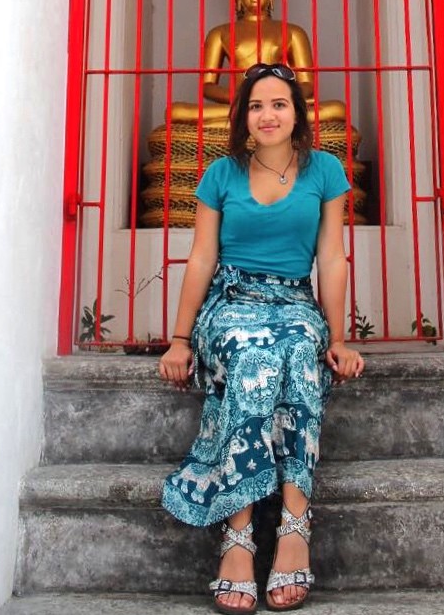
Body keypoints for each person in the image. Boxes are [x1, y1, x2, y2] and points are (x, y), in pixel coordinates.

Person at [159, 62, 365, 612]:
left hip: (294, 301)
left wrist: (338, 338)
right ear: (242, 117)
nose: (267, 115)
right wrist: (181, 338)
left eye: (278, 104)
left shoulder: (324, 170)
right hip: (231, 301)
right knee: (252, 358)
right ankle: (240, 533)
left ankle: (295, 526)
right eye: (255, 106)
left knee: (301, 350)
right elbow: (202, 257)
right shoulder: (220, 174)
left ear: (297, 113)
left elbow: (331, 256)